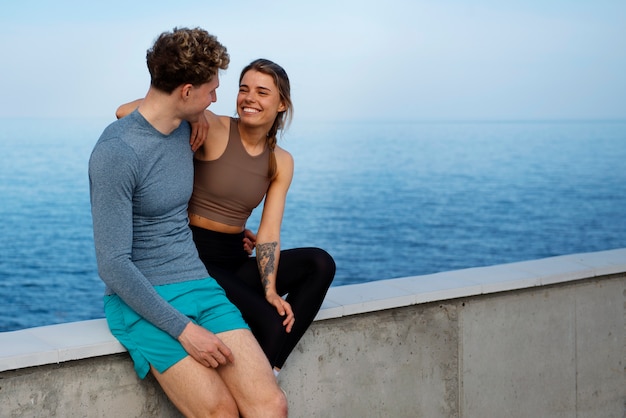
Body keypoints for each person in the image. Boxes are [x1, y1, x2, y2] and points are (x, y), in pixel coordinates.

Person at [90, 28, 287, 417]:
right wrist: (182, 329)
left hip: (199, 284)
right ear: (185, 90)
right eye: (211, 90)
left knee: (271, 405)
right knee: (220, 413)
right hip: (142, 299)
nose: (217, 98)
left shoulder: (187, 129)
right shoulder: (116, 152)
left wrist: (195, 118)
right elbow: (112, 265)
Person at [117, 59, 336, 375]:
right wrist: (190, 114)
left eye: (262, 92)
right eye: (243, 89)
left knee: (320, 263)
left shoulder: (281, 161)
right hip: (191, 260)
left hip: (233, 258)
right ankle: (263, 388)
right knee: (269, 323)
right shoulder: (213, 126)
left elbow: (269, 232)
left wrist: (271, 289)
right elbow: (124, 111)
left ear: (282, 103)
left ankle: (269, 371)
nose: (249, 98)